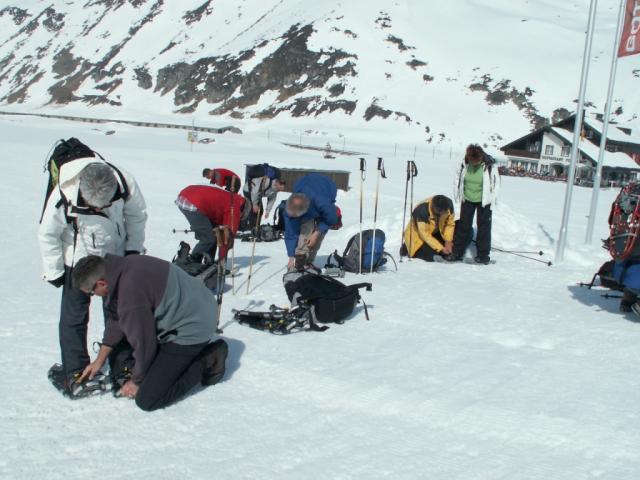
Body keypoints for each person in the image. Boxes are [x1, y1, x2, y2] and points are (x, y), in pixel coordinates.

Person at [39, 157, 147, 397]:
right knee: (74, 316)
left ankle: (123, 366)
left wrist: (132, 249)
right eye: (94, 207)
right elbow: (47, 234)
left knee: (119, 313)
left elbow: (137, 216)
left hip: (114, 257)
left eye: (103, 206)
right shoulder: (65, 193)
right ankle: (76, 372)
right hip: (77, 260)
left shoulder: (124, 182)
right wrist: (55, 271)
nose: (99, 210)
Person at [72, 254, 228, 411]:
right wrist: (99, 360)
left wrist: (137, 380)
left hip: (194, 327)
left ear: (101, 283)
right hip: (199, 304)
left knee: (147, 399)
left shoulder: (130, 296)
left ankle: (209, 359)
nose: (93, 296)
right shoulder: (123, 266)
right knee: (146, 364)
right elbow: (116, 318)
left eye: (91, 292)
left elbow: (145, 345)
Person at [175, 184, 248, 265]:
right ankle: (192, 262)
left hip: (186, 194)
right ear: (242, 211)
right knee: (208, 238)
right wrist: (222, 261)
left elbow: (218, 227)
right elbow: (227, 238)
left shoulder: (232, 198)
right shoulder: (235, 209)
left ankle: (208, 261)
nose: (239, 219)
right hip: (193, 202)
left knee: (212, 234)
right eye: (241, 217)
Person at [451, 144, 500, 264]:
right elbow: (457, 178)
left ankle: (483, 255)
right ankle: (457, 252)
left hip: (484, 200)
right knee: (463, 226)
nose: (473, 164)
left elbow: (496, 183)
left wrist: (493, 200)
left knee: (484, 228)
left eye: (476, 162)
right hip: (467, 198)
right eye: (472, 161)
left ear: (481, 157)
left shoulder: (489, 165)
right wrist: (457, 195)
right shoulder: (464, 164)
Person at [283, 174, 338, 270]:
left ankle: (308, 261)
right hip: (306, 183)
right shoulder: (289, 208)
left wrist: (317, 232)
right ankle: (300, 258)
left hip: (326, 187)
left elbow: (331, 219)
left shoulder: (323, 202)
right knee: (305, 227)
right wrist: (291, 256)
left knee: (316, 236)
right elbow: (290, 233)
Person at [401, 195, 455, 262]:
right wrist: (441, 248)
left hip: (436, 231)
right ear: (434, 208)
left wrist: (448, 241)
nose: (444, 214)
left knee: (456, 241)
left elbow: (449, 224)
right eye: (441, 212)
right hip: (419, 236)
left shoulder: (449, 205)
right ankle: (407, 246)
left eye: (445, 212)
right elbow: (425, 235)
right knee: (431, 255)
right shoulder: (421, 210)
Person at [242, 165, 286, 230]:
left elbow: (271, 200)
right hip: (249, 191)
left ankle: (255, 227)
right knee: (253, 211)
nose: (279, 191)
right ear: (278, 183)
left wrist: (267, 211)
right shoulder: (267, 181)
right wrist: (254, 204)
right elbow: (254, 192)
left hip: (257, 195)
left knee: (259, 210)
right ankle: (251, 228)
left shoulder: (275, 190)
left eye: (280, 190)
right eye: (280, 188)